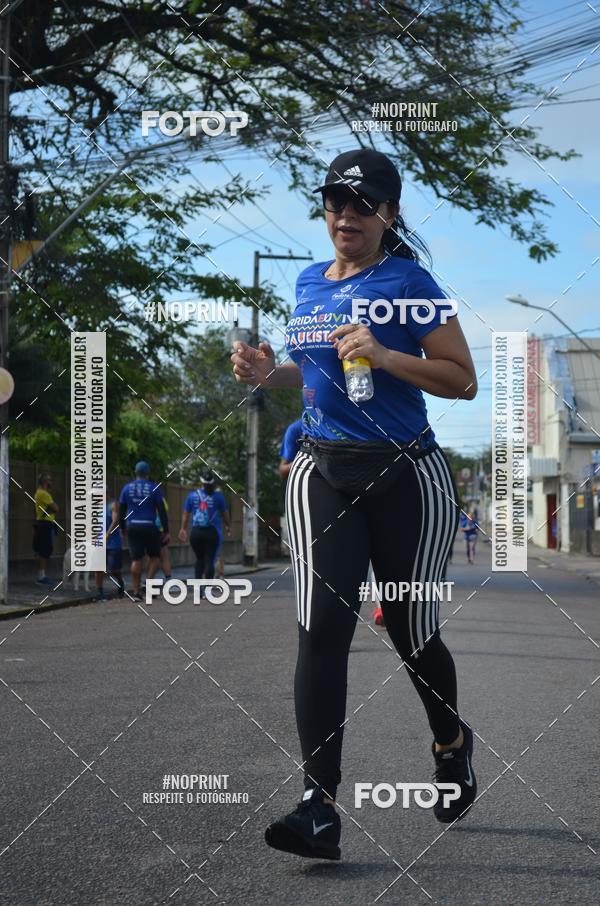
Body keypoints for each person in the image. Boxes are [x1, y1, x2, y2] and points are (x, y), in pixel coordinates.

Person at [231, 148, 479, 861]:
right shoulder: (309, 283)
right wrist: (264, 372)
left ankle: (452, 743)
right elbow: (315, 373)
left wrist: (386, 350)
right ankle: (319, 806)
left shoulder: (412, 283)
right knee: (322, 627)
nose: (347, 214)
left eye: (363, 204)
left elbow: (462, 379)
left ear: (390, 213)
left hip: (408, 475)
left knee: (409, 625)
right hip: (323, 470)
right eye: (337, 202)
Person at [118, 461, 169, 602]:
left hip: (132, 526)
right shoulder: (154, 488)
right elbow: (161, 510)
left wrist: (122, 527)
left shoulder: (127, 488)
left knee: (136, 558)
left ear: (136, 472)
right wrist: (166, 530)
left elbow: (122, 510)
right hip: (149, 526)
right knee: (154, 556)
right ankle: (148, 582)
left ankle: (136, 592)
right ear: (148, 473)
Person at [179, 470, 231, 588]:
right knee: (209, 560)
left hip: (196, 532)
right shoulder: (218, 497)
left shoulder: (192, 496)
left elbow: (186, 514)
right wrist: (228, 526)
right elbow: (225, 514)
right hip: (211, 533)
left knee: (199, 560)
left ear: (201, 482)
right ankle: (207, 589)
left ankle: (198, 590)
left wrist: (183, 529)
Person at [93, 498, 125, 600]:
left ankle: (120, 582)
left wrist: (107, 534)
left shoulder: (113, 504)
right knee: (98, 568)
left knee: (113, 569)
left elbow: (115, 520)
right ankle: (100, 593)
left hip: (113, 543)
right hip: (99, 543)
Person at [33, 474, 59, 585]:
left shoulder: (39, 493)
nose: (51, 482)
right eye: (49, 480)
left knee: (43, 549)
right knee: (44, 550)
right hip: (46, 524)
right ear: (45, 482)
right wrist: (52, 509)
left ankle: (41, 575)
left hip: (43, 523)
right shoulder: (44, 494)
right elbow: (56, 508)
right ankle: (41, 577)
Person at [155, 498, 172, 580]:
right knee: (164, 557)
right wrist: (167, 531)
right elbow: (165, 515)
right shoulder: (160, 498)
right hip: (160, 530)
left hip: (147, 529)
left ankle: (146, 581)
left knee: (151, 558)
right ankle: (169, 581)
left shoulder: (140, 497)